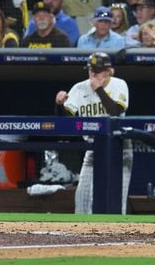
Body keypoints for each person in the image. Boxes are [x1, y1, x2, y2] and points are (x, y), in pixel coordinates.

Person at [55, 52, 132, 214]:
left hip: (119, 148)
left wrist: (99, 90)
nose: (93, 74)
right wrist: (59, 105)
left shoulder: (119, 84)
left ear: (108, 71)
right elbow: (64, 121)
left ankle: (117, 235)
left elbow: (115, 112)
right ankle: (82, 235)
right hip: (93, 148)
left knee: (117, 198)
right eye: (91, 70)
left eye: (98, 70)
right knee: (82, 198)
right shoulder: (79, 88)